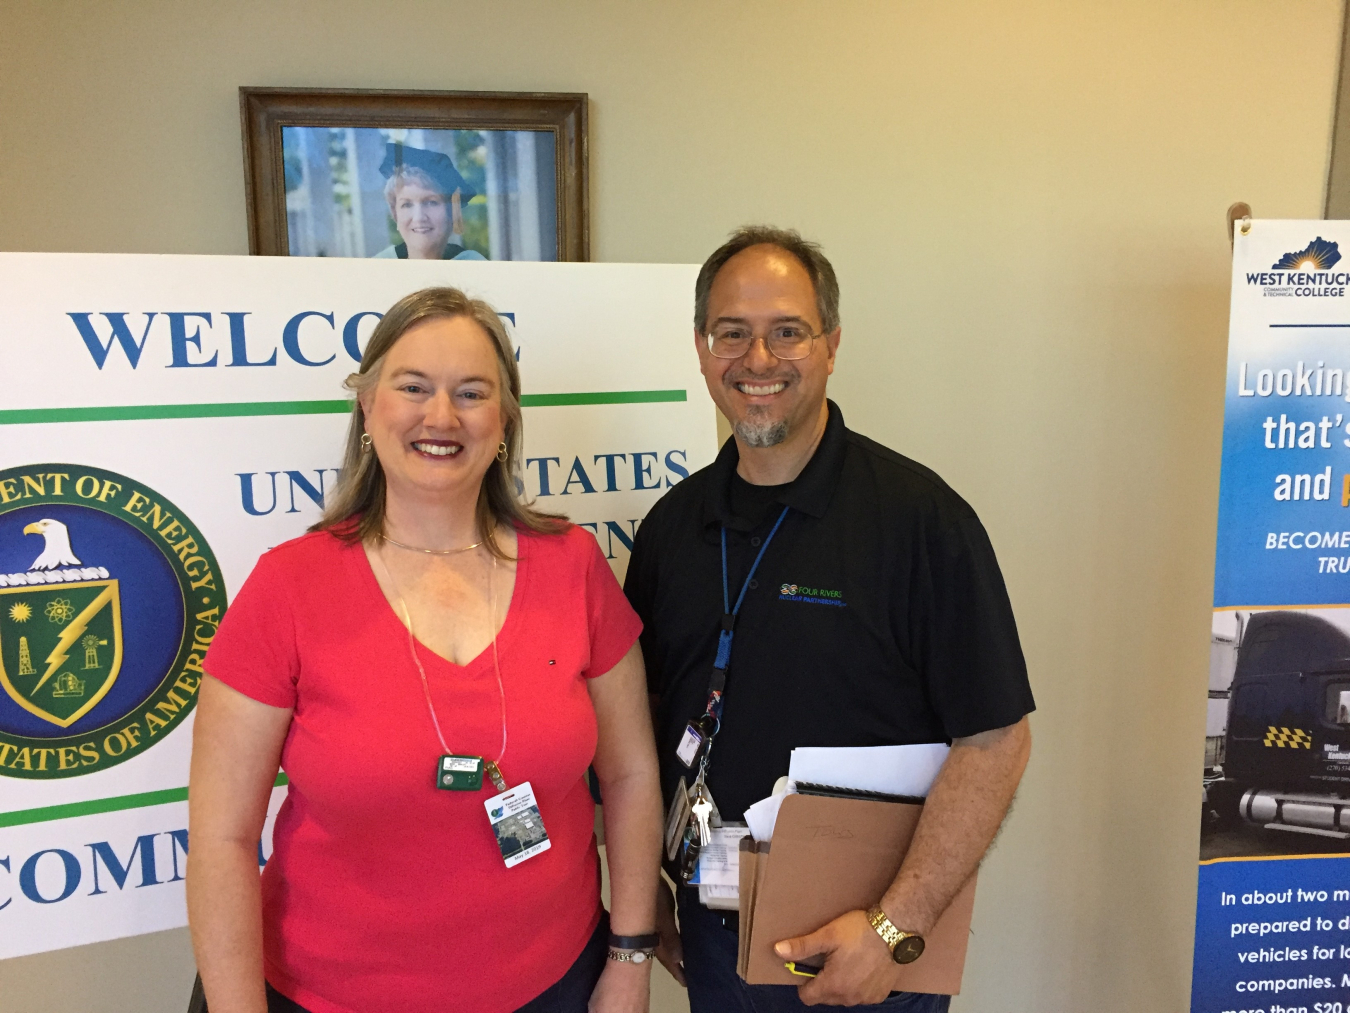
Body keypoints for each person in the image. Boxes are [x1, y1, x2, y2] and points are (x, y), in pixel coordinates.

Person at [187, 287, 663, 1013]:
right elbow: (221, 837)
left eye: (472, 392)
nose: (441, 416)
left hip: (555, 985)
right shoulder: (289, 586)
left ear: (503, 420)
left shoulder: (572, 565)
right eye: (414, 388)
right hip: (323, 995)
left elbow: (629, 775)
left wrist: (631, 957)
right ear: (369, 406)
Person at [624, 227, 1035, 1011]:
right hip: (715, 934)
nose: (758, 359)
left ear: (833, 344)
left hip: (866, 947)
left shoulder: (921, 522)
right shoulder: (672, 529)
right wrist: (645, 897)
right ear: (703, 347)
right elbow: (640, 733)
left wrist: (893, 929)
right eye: (731, 333)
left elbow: (997, 740)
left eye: (788, 331)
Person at [372, 142, 487, 261]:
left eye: (431, 202)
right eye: (407, 204)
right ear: (395, 213)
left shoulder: (474, 265)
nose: (419, 217)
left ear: (451, 211)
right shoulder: (378, 268)